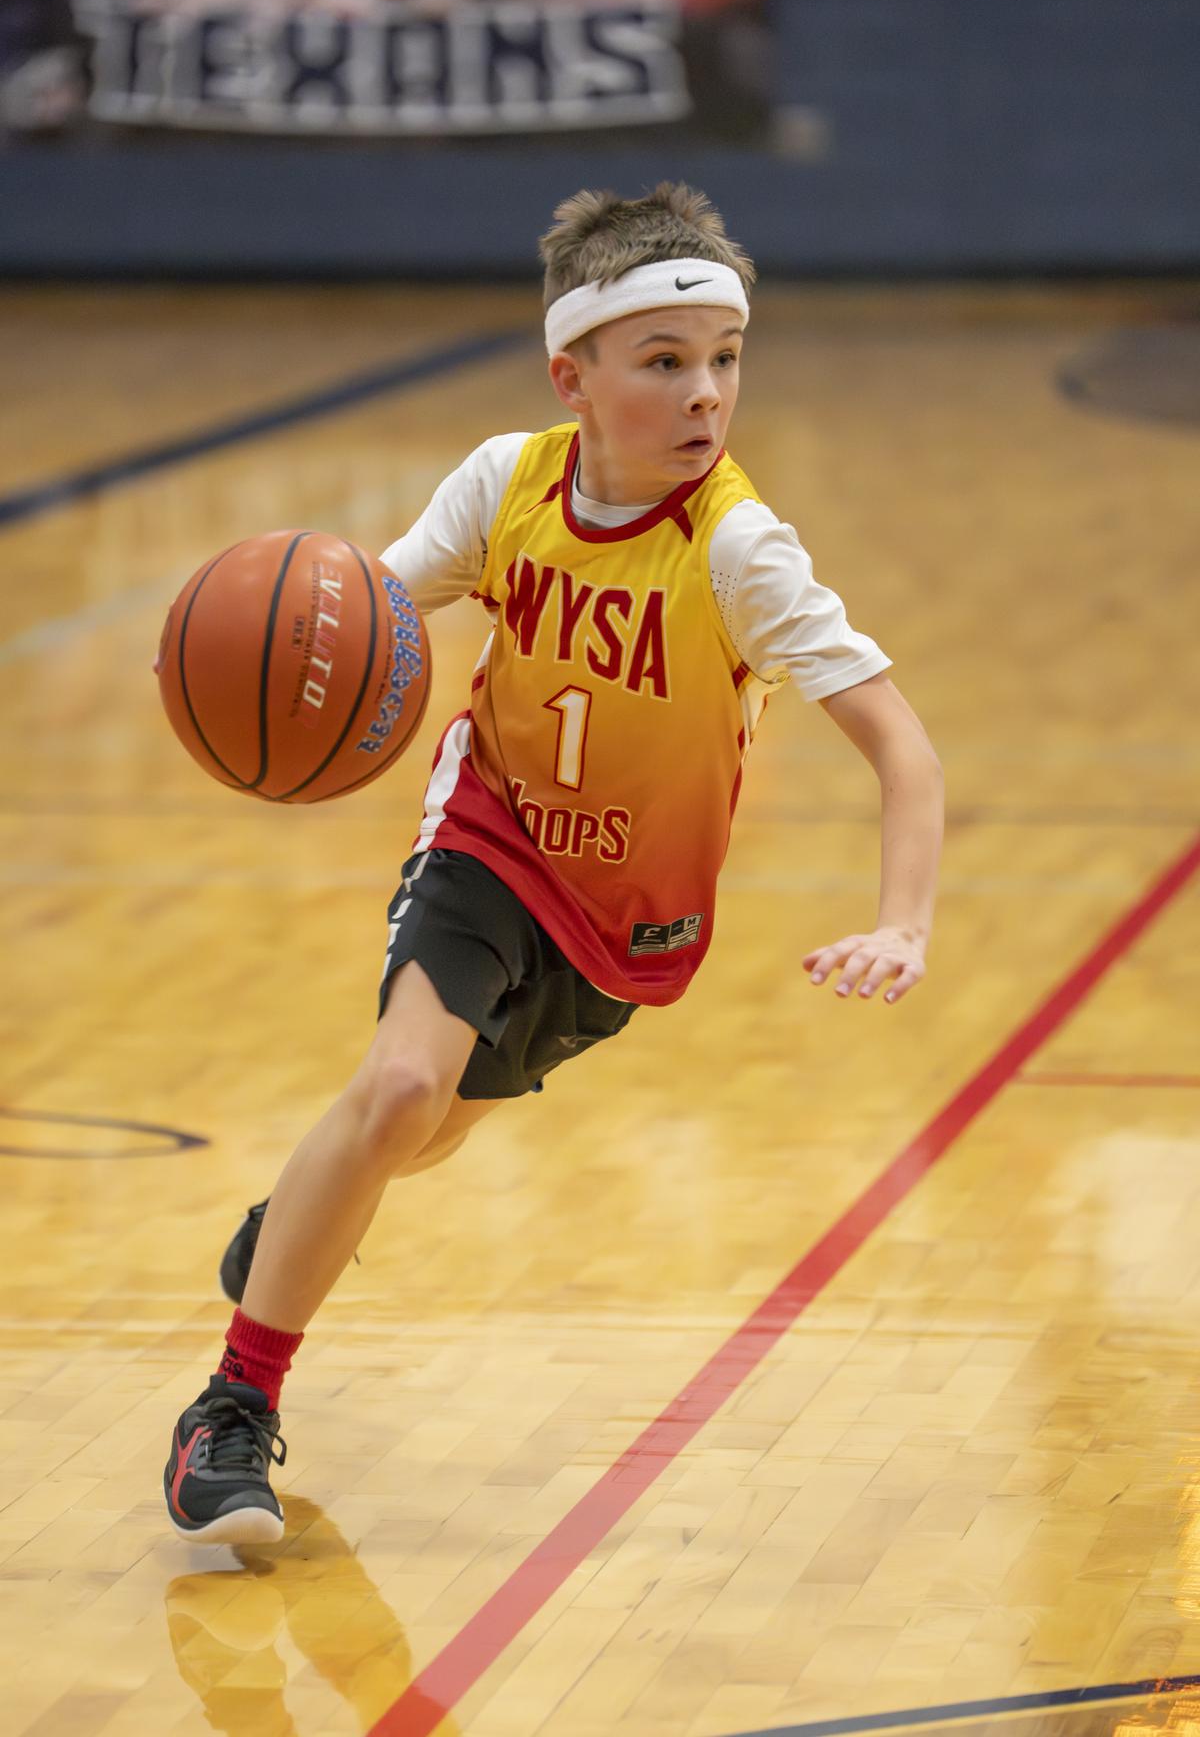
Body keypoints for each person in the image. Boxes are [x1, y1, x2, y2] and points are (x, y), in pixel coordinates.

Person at [163, 181, 944, 1545]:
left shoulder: (741, 552)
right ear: (570, 376)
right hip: (491, 834)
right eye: (665, 364)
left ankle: (296, 1211)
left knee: (426, 1131)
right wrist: (285, 679)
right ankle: (231, 1408)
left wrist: (904, 923)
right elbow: (377, 624)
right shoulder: (504, 485)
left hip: (628, 922)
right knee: (403, 1083)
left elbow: (904, 749)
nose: (706, 395)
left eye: (725, 361)